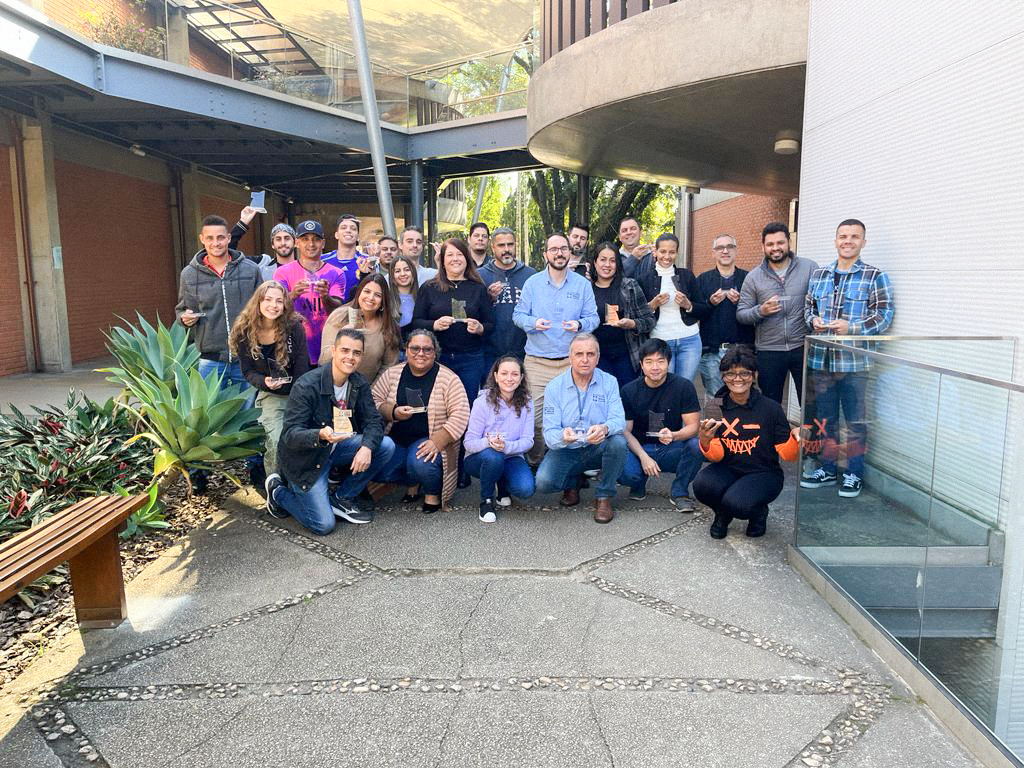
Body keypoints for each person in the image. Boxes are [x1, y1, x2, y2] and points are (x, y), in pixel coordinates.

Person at [265, 329, 397, 533]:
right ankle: (278, 493)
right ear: (334, 351)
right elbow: (290, 434)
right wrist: (319, 435)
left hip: (337, 447)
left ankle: (342, 497)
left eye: (356, 353)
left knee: (385, 446)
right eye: (345, 350)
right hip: (306, 459)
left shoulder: (358, 383)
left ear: (362, 356)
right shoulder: (307, 385)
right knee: (323, 525)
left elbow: (373, 421)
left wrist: (366, 448)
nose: (350, 357)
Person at [801, 219, 894, 498]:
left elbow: (884, 316)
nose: (848, 241)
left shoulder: (874, 276)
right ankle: (828, 469)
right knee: (826, 420)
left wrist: (851, 328)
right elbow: (808, 308)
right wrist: (813, 321)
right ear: (836, 240)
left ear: (863, 242)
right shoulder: (820, 274)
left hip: (854, 363)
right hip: (821, 361)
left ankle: (854, 474)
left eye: (854, 236)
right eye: (843, 236)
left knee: (855, 422)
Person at [694, 345, 801, 539]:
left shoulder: (771, 408)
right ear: (723, 377)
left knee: (738, 503)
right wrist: (705, 440)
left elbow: (788, 455)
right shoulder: (716, 405)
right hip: (729, 467)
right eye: (730, 374)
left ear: (754, 375)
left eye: (744, 373)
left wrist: (796, 437)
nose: (737, 379)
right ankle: (723, 514)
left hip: (764, 472)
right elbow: (716, 456)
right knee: (702, 485)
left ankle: (758, 513)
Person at [513, 232, 599, 465]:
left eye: (563, 249)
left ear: (570, 252)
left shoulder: (582, 285)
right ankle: (536, 462)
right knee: (535, 419)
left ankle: (569, 468)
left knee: (573, 416)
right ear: (545, 255)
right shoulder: (532, 283)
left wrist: (580, 325)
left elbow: (593, 318)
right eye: (554, 249)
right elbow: (518, 315)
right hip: (538, 362)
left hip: (572, 363)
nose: (559, 253)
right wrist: (533, 323)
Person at [373, 331, 471, 513]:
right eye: (415, 348)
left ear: (435, 352)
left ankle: (432, 493)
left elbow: (461, 414)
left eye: (427, 349)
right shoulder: (392, 373)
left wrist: (438, 440)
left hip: (429, 440)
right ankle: (412, 481)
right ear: (406, 350)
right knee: (378, 469)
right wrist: (393, 411)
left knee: (421, 462)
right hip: (397, 440)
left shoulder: (449, 379)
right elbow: (374, 399)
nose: (421, 353)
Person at [534, 334, 628, 523]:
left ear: (598, 358)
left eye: (590, 354)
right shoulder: (554, 387)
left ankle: (604, 496)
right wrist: (563, 436)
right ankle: (574, 481)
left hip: (598, 446)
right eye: (579, 354)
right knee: (543, 483)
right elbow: (549, 434)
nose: (585, 359)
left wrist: (605, 428)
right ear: (570, 357)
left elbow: (619, 420)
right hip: (567, 449)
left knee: (618, 442)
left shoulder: (609, 382)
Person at [231, 281, 311, 477]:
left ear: (285, 305)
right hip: (271, 395)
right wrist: (264, 382)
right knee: (275, 440)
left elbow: (302, 367)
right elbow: (248, 371)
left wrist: (299, 400)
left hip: (299, 394)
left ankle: (298, 483)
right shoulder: (244, 331)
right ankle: (275, 484)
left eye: (279, 301)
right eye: (268, 300)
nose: (273, 305)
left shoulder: (294, 327)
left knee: (300, 441)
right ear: (258, 302)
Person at [736, 222, 817, 405]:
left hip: (803, 346)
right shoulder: (753, 277)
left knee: (810, 402)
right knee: (770, 404)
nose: (775, 248)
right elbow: (741, 314)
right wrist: (761, 311)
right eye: (770, 244)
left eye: (780, 243)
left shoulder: (809, 268)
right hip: (769, 350)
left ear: (789, 243)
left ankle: (809, 426)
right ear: (763, 247)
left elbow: (820, 303)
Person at [618, 339, 702, 510]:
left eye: (660, 361)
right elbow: (626, 431)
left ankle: (680, 492)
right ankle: (637, 483)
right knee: (625, 469)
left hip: (670, 448)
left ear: (668, 363)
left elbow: (694, 427)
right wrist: (643, 457)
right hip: (639, 448)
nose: (655, 367)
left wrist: (674, 435)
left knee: (696, 446)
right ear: (641, 365)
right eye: (649, 362)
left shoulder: (683, 386)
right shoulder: (629, 390)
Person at [412, 238, 494, 409]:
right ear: (442, 260)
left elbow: (490, 324)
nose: (455, 259)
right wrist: (434, 325)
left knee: (467, 405)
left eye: (459, 254)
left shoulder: (478, 288)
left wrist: (480, 328)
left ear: (467, 258)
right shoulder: (429, 288)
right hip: (437, 357)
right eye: (450, 255)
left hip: (470, 359)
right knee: (438, 406)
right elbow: (416, 322)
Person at [464, 356, 536, 522]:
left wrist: (506, 446)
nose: (509, 378)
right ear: (496, 376)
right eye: (504, 373)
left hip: (511, 456)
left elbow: (528, 441)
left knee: (525, 489)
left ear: (521, 377)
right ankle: (486, 501)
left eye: (514, 374)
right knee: (494, 457)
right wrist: (488, 443)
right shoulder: (482, 402)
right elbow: (469, 443)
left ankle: (502, 485)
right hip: (480, 458)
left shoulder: (527, 403)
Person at [637, 233, 709, 383]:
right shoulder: (644, 279)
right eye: (663, 251)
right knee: (664, 387)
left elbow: (704, 309)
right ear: (655, 252)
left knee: (685, 386)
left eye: (672, 252)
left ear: (677, 253)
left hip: (690, 340)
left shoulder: (687, 275)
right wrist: (652, 306)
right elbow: (638, 315)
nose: (667, 256)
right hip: (660, 340)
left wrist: (688, 305)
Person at [274, 220, 346, 366]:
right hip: (294, 346)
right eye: (305, 239)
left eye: (316, 239)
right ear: (296, 243)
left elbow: (337, 311)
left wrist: (325, 297)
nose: (311, 244)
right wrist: (293, 294)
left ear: (323, 243)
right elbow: (275, 307)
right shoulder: (282, 272)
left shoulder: (336, 273)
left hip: (327, 347)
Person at [587, 242, 656, 389]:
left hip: (627, 355)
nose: (607, 265)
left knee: (627, 395)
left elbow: (650, 320)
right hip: (597, 356)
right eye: (603, 259)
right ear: (595, 262)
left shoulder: (630, 286)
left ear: (618, 264)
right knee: (603, 395)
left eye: (612, 260)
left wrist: (633, 324)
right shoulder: (586, 289)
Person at [696, 234, 754, 399]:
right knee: (715, 399)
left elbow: (757, 312)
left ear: (736, 251)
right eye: (720, 248)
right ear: (713, 253)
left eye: (730, 247)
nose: (725, 251)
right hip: (712, 352)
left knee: (742, 398)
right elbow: (694, 313)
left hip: (743, 350)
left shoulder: (748, 278)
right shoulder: (702, 280)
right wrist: (710, 303)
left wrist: (741, 303)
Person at [319, 274, 400, 383]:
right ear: (359, 293)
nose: (370, 298)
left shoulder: (388, 326)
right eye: (367, 291)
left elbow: (389, 366)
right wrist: (342, 338)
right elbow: (324, 359)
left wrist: (371, 390)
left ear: (383, 300)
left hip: (369, 389)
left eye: (377, 295)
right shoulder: (339, 317)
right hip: (333, 386)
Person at [477, 227, 536, 375]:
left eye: (510, 244)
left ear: (516, 245)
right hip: (489, 352)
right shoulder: (480, 276)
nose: (506, 249)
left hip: (524, 351)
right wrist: (488, 298)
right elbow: (475, 312)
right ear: (493, 247)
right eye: (501, 245)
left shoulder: (530, 275)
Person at [228, 207, 297, 281]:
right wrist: (243, 223)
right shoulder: (262, 264)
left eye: (287, 238)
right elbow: (228, 254)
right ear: (272, 244)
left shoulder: (304, 267)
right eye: (278, 239)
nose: (283, 243)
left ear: (295, 242)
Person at [323, 213, 373, 300]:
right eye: (343, 227)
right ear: (336, 235)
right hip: (329, 308)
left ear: (358, 236)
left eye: (353, 229)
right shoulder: (323, 260)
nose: (348, 231)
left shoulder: (367, 261)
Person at [388, 255, 419, 337]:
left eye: (407, 270)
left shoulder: (422, 297)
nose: (403, 274)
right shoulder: (386, 299)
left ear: (413, 272)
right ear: (392, 275)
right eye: (397, 271)